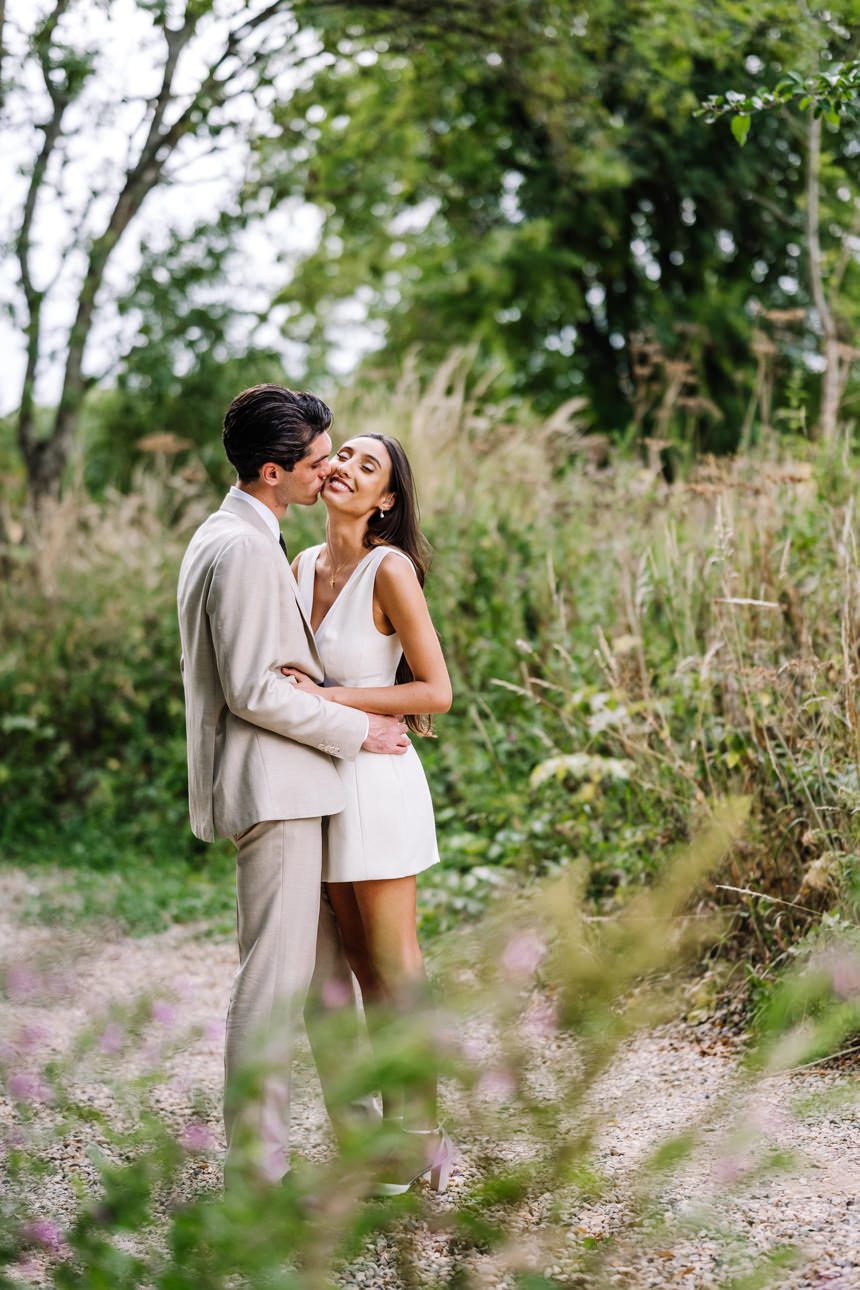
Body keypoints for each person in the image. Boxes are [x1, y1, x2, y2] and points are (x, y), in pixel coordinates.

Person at [176, 385, 408, 1187]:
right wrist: (359, 728)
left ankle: (372, 1146)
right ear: (274, 472)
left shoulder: (236, 533)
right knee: (271, 991)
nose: (326, 473)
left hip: (297, 792)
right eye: (315, 462)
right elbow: (251, 688)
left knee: (321, 986)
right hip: (273, 795)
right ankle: (255, 1180)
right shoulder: (244, 549)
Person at [284, 432, 454, 1193]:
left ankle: (421, 1137)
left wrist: (328, 697)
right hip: (320, 782)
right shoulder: (297, 567)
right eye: (341, 454)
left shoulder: (390, 570)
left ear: (386, 499)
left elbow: (435, 692)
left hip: (379, 780)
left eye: (368, 465)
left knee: (395, 963)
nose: (346, 468)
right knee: (355, 963)